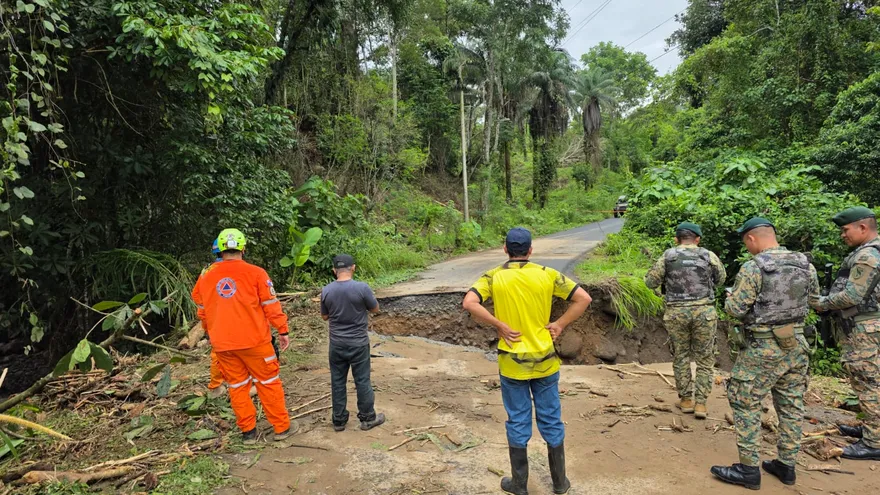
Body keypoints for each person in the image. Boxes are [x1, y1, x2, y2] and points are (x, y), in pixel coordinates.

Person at [462, 227, 591, 495]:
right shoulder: (547, 275)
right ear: (530, 250)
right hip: (545, 360)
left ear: (506, 250)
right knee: (551, 418)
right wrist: (559, 324)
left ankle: (519, 485)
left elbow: (470, 303)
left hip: (512, 363)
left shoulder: (494, 277)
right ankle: (559, 483)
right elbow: (584, 298)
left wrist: (499, 325)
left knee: (518, 419)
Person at [711, 218, 818, 489]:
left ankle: (748, 470)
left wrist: (729, 297)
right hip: (797, 345)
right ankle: (787, 465)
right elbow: (814, 300)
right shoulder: (806, 265)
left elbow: (735, 310)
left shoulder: (754, 267)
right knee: (792, 404)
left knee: (745, 401)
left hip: (763, 347)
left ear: (751, 239)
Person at [192, 228, 293, 444]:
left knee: (237, 386)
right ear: (243, 248)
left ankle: (248, 433)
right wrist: (282, 330)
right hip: (255, 342)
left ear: (220, 249)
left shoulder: (206, 275)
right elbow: (271, 305)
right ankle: (281, 428)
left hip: (223, 345)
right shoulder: (256, 273)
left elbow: (201, 309)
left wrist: (211, 331)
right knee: (268, 382)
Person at [811, 207, 880, 461]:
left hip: (864, 329)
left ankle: (874, 443)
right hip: (869, 326)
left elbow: (852, 296)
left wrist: (822, 302)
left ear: (863, 227)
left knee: (868, 384)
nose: (843, 235)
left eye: (845, 229)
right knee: (872, 381)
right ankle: (873, 430)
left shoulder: (867, 255)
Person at [645, 222, 726, 419]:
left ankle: (686, 400)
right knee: (705, 359)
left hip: (676, 312)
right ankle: (701, 404)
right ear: (697, 239)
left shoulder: (668, 256)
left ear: (676, 239)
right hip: (704, 312)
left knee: (680, 356)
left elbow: (650, 282)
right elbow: (722, 278)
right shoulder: (708, 255)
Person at [320, 254, 385, 432]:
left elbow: (325, 316)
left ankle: (339, 421)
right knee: (362, 380)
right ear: (353, 268)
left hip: (336, 344)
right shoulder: (362, 288)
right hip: (358, 343)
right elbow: (375, 308)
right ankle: (367, 418)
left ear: (334, 271)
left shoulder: (326, 290)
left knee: (338, 380)